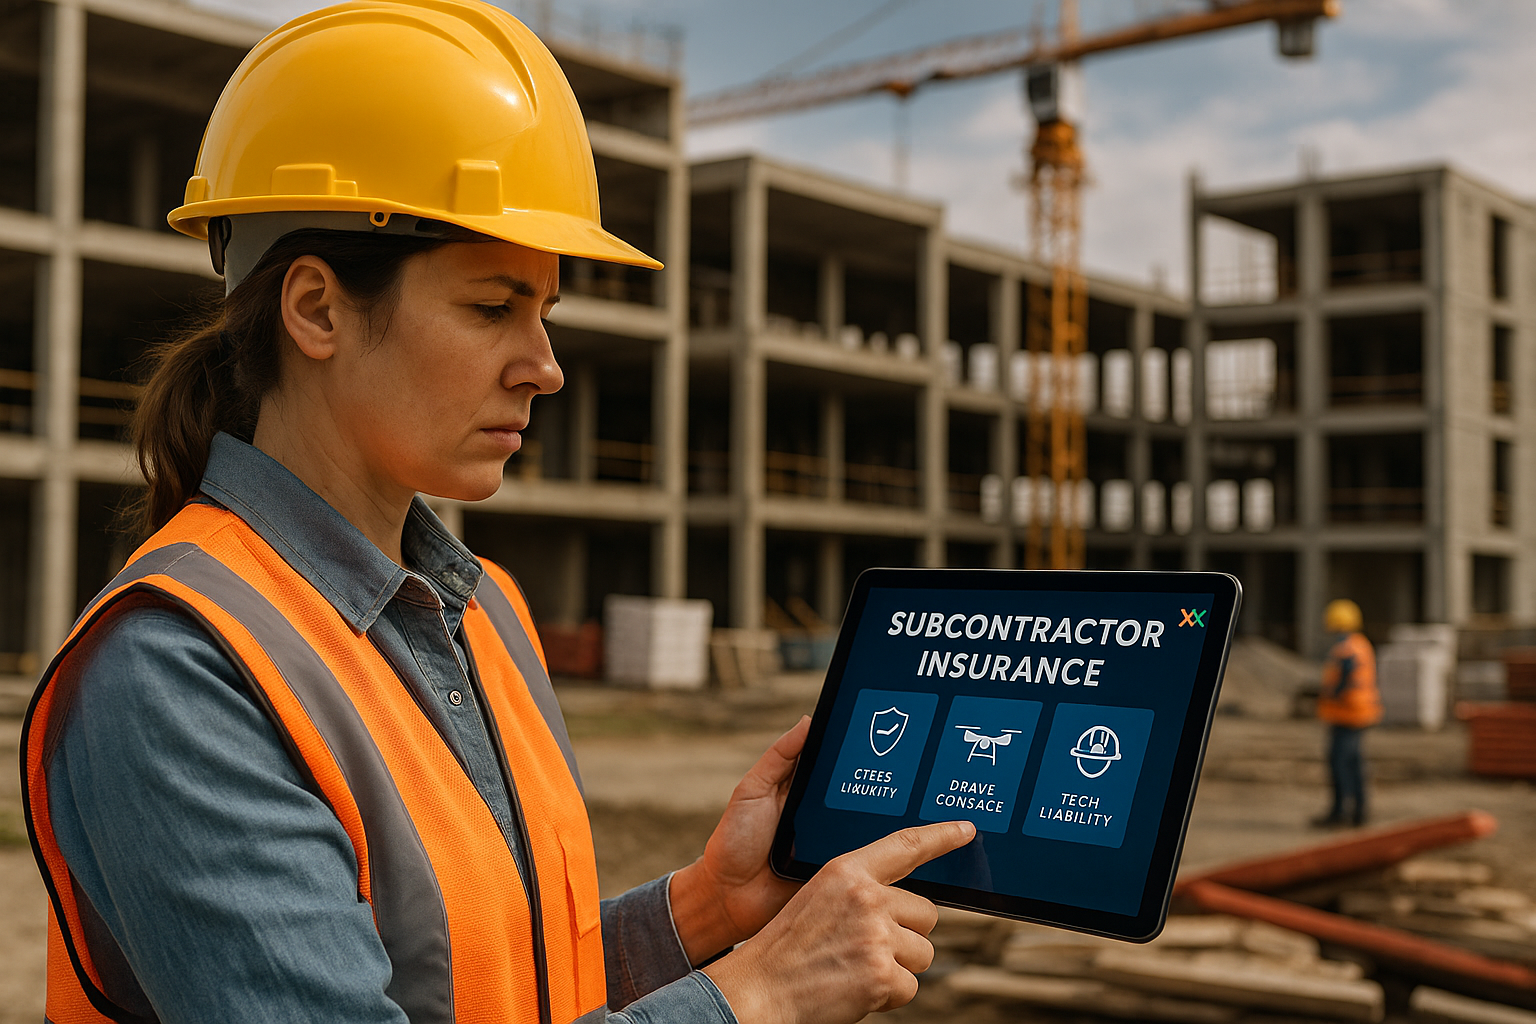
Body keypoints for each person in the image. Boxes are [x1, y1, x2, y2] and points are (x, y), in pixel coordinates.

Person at [20, 4, 976, 1022]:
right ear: (315, 309)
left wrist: (707, 907)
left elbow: (498, 981)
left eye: (544, 313)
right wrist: (757, 993)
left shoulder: (484, 611)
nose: (545, 367)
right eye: (491, 308)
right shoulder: (178, 669)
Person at [1312, 599, 1380, 828]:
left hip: (1346, 714)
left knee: (1340, 764)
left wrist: (1330, 694)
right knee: (1354, 764)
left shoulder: (1345, 649)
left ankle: (1340, 812)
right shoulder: (1361, 645)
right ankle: (1359, 812)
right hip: (1359, 713)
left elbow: (1343, 680)